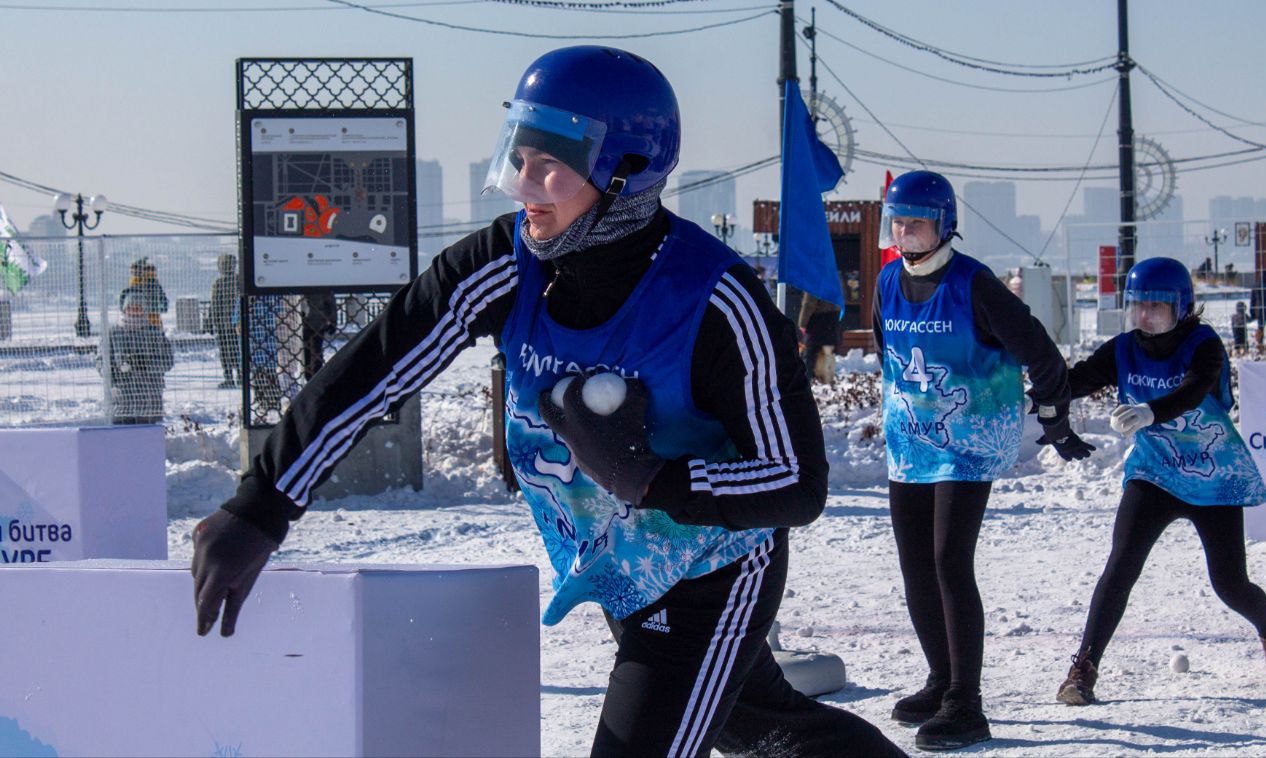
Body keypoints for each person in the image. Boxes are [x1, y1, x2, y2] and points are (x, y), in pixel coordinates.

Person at [190, 46, 904, 758]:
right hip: (621, 563)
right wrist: (263, 504)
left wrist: (651, 479)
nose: (523, 186)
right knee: (766, 728)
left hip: (711, 572)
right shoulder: (507, 264)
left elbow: (796, 482)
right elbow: (377, 369)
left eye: (550, 165)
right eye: (518, 157)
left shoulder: (715, 302)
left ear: (624, 172)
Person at [873, 170, 1094, 751]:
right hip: (911, 441)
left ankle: (965, 703)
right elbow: (888, 351)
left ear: (944, 224)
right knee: (915, 565)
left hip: (969, 441)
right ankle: (940, 679)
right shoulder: (888, 279)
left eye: (916, 222)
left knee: (949, 560)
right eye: (897, 221)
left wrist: (1054, 419)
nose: (905, 232)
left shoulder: (974, 284)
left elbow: (1042, 354)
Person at [1055, 257, 1266, 705]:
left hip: (1214, 477)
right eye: (1137, 305)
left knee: (1230, 583)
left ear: (1182, 307)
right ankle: (1083, 668)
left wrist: (1150, 412)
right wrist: (1032, 393)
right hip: (1155, 472)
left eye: (1156, 306)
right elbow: (1077, 380)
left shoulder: (1203, 344)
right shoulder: (1123, 348)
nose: (1145, 315)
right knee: (1120, 566)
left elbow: (1194, 390)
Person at [101, 292, 174, 424]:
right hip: (121, 404)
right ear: (124, 310)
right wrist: (116, 371)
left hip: (150, 403)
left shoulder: (155, 333)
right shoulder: (113, 334)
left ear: (144, 310)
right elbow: (101, 361)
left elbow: (167, 361)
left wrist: (144, 364)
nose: (134, 312)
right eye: (130, 308)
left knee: (148, 435)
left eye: (138, 308)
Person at [210, 253, 240, 388]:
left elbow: (215, 305)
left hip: (224, 324)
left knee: (225, 351)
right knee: (238, 350)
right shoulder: (239, 280)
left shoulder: (219, 283)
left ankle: (229, 378)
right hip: (239, 323)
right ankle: (240, 376)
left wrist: (212, 322)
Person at [798, 291, 840, 385]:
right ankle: (827, 379)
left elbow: (809, 304)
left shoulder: (815, 284)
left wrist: (802, 323)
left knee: (809, 356)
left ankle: (805, 382)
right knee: (827, 353)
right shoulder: (835, 283)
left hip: (817, 321)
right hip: (832, 320)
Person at [119, 256, 169, 329]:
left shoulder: (139, 283)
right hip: (147, 315)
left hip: (143, 316)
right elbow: (163, 300)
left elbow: (124, 294)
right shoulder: (149, 284)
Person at [301, 291, 338, 380]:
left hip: (315, 322)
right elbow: (331, 302)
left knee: (313, 349)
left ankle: (312, 375)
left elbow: (330, 302)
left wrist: (333, 321)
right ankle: (313, 375)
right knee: (314, 349)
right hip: (315, 322)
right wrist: (333, 321)